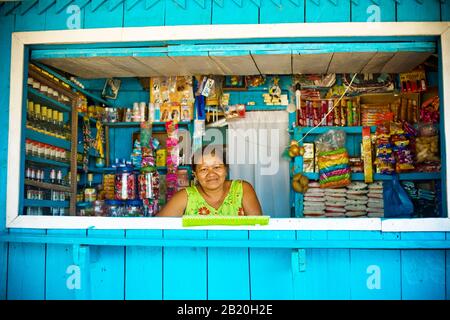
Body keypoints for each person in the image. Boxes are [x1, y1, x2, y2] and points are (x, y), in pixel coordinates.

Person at [157, 147, 262, 216]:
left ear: (226, 169)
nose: (211, 174)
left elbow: (259, 229)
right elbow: (155, 227)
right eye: (204, 169)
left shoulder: (242, 189)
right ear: (195, 174)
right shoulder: (186, 196)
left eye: (217, 167)